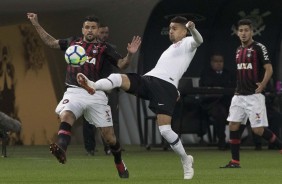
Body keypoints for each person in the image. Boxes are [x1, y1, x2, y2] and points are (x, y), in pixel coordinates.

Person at [77, 16, 203, 180]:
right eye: (170, 28)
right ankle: (93, 85)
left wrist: (193, 29)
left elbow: (199, 41)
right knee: (118, 78)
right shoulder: (170, 48)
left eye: (174, 28)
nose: (171, 31)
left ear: (184, 31)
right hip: (149, 79)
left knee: (165, 130)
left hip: (165, 87)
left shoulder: (188, 42)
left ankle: (186, 160)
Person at [27, 12, 141, 178]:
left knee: (109, 137)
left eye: (93, 28)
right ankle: (61, 149)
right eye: (87, 27)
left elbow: (122, 64)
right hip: (74, 91)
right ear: (82, 29)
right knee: (66, 115)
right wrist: (36, 23)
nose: (90, 30)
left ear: (97, 30)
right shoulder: (73, 43)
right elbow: (51, 42)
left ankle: (119, 162)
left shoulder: (104, 48)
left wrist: (130, 54)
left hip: (96, 93)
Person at [220, 19, 282, 168]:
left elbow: (269, 68)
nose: (243, 33)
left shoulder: (259, 47)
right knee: (233, 125)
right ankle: (235, 162)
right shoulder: (238, 50)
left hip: (254, 96)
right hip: (239, 95)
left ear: (252, 32)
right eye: (240, 30)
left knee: (258, 130)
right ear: (237, 33)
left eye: (246, 30)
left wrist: (263, 84)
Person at [82, 24, 118, 156]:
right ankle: (90, 148)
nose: (105, 35)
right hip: (92, 87)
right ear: (97, 33)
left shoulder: (111, 49)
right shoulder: (84, 49)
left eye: (106, 33)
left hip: (109, 87)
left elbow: (117, 67)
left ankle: (110, 146)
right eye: (102, 32)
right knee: (89, 120)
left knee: (110, 118)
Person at [199, 53, 236, 150]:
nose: (219, 64)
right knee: (220, 113)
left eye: (221, 61)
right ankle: (222, 141)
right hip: (211, 103)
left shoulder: (229, 73)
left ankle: (236, 141)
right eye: (216, 61)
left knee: (239, 112)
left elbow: (232, 87)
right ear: (211, 63)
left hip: (227, 102)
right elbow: (205, 88)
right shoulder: (205, 73)